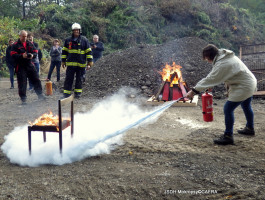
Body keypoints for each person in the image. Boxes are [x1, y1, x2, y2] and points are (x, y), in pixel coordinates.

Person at [186, 44, 257, 145]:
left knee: (228, 109)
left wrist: (193, 91)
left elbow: (211, 78)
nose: (207, 61)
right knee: (246, 105)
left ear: (209, 56)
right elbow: (220, 76)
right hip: (249, 82)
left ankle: (228, 136)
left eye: (206, 58)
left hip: (244, 86)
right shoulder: (225, 57)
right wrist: (211, 84)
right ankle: (250, 128)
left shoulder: (223, 63)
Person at [11, 30, 45, 104]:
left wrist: (32, 55)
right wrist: (21, 56)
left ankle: (40, 95)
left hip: (29, 64)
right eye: (23, 36)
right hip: (20, 66)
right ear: (19, 36)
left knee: (36, 79)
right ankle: (23, 99)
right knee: (22, 83)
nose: (25, 38)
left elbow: (36, 51)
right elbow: (13, 55)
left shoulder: (29, 43)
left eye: (26, 36)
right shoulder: (15, 45)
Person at [62, 23, 93, 99]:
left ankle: (77, 94)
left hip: (81, 64)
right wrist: (63, 61)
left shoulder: (84, 40)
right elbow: (64, 51)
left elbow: (88, 51)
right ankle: (66, 94)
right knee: (68, 79)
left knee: (79, 79)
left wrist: (89, 62)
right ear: (72, 31)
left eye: (77, 30)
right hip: (71, 64)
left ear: (79, 31)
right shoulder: (68, 40)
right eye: (74, 30)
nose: (76, 31)